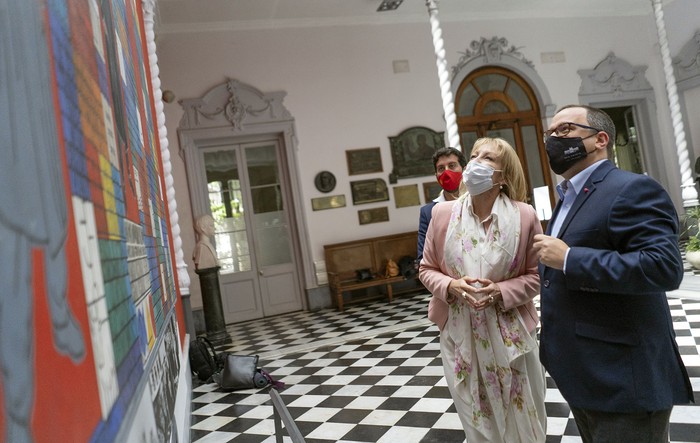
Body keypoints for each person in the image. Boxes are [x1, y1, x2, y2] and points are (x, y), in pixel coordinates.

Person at [533, 105, 694, 442]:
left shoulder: (631, 188)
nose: (552, 140)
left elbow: (663, 267)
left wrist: (572, 259)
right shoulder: (568, 196)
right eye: (550, 133)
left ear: (600, 139)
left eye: (564, 130)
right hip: (586, 372)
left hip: (623, 377)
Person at [419, 137, 546, 442]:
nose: (475, 162)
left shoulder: (525, 215)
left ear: (503, 175)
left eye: (487, 158)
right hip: (459, 334)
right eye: (474, 155)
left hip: (512, 335)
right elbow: (426, 269)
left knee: (524, 419)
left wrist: (501, 290)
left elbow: (537, 275)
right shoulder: (442, 215)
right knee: (476, 420)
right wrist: (451, 285)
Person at [416, 147, 467, 263]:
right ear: (436, 176)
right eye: (441, 168)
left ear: (464, 170)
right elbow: (423, 258)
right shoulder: (428, 212)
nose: (446, 172)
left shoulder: (480, 201)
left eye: (452, 165)